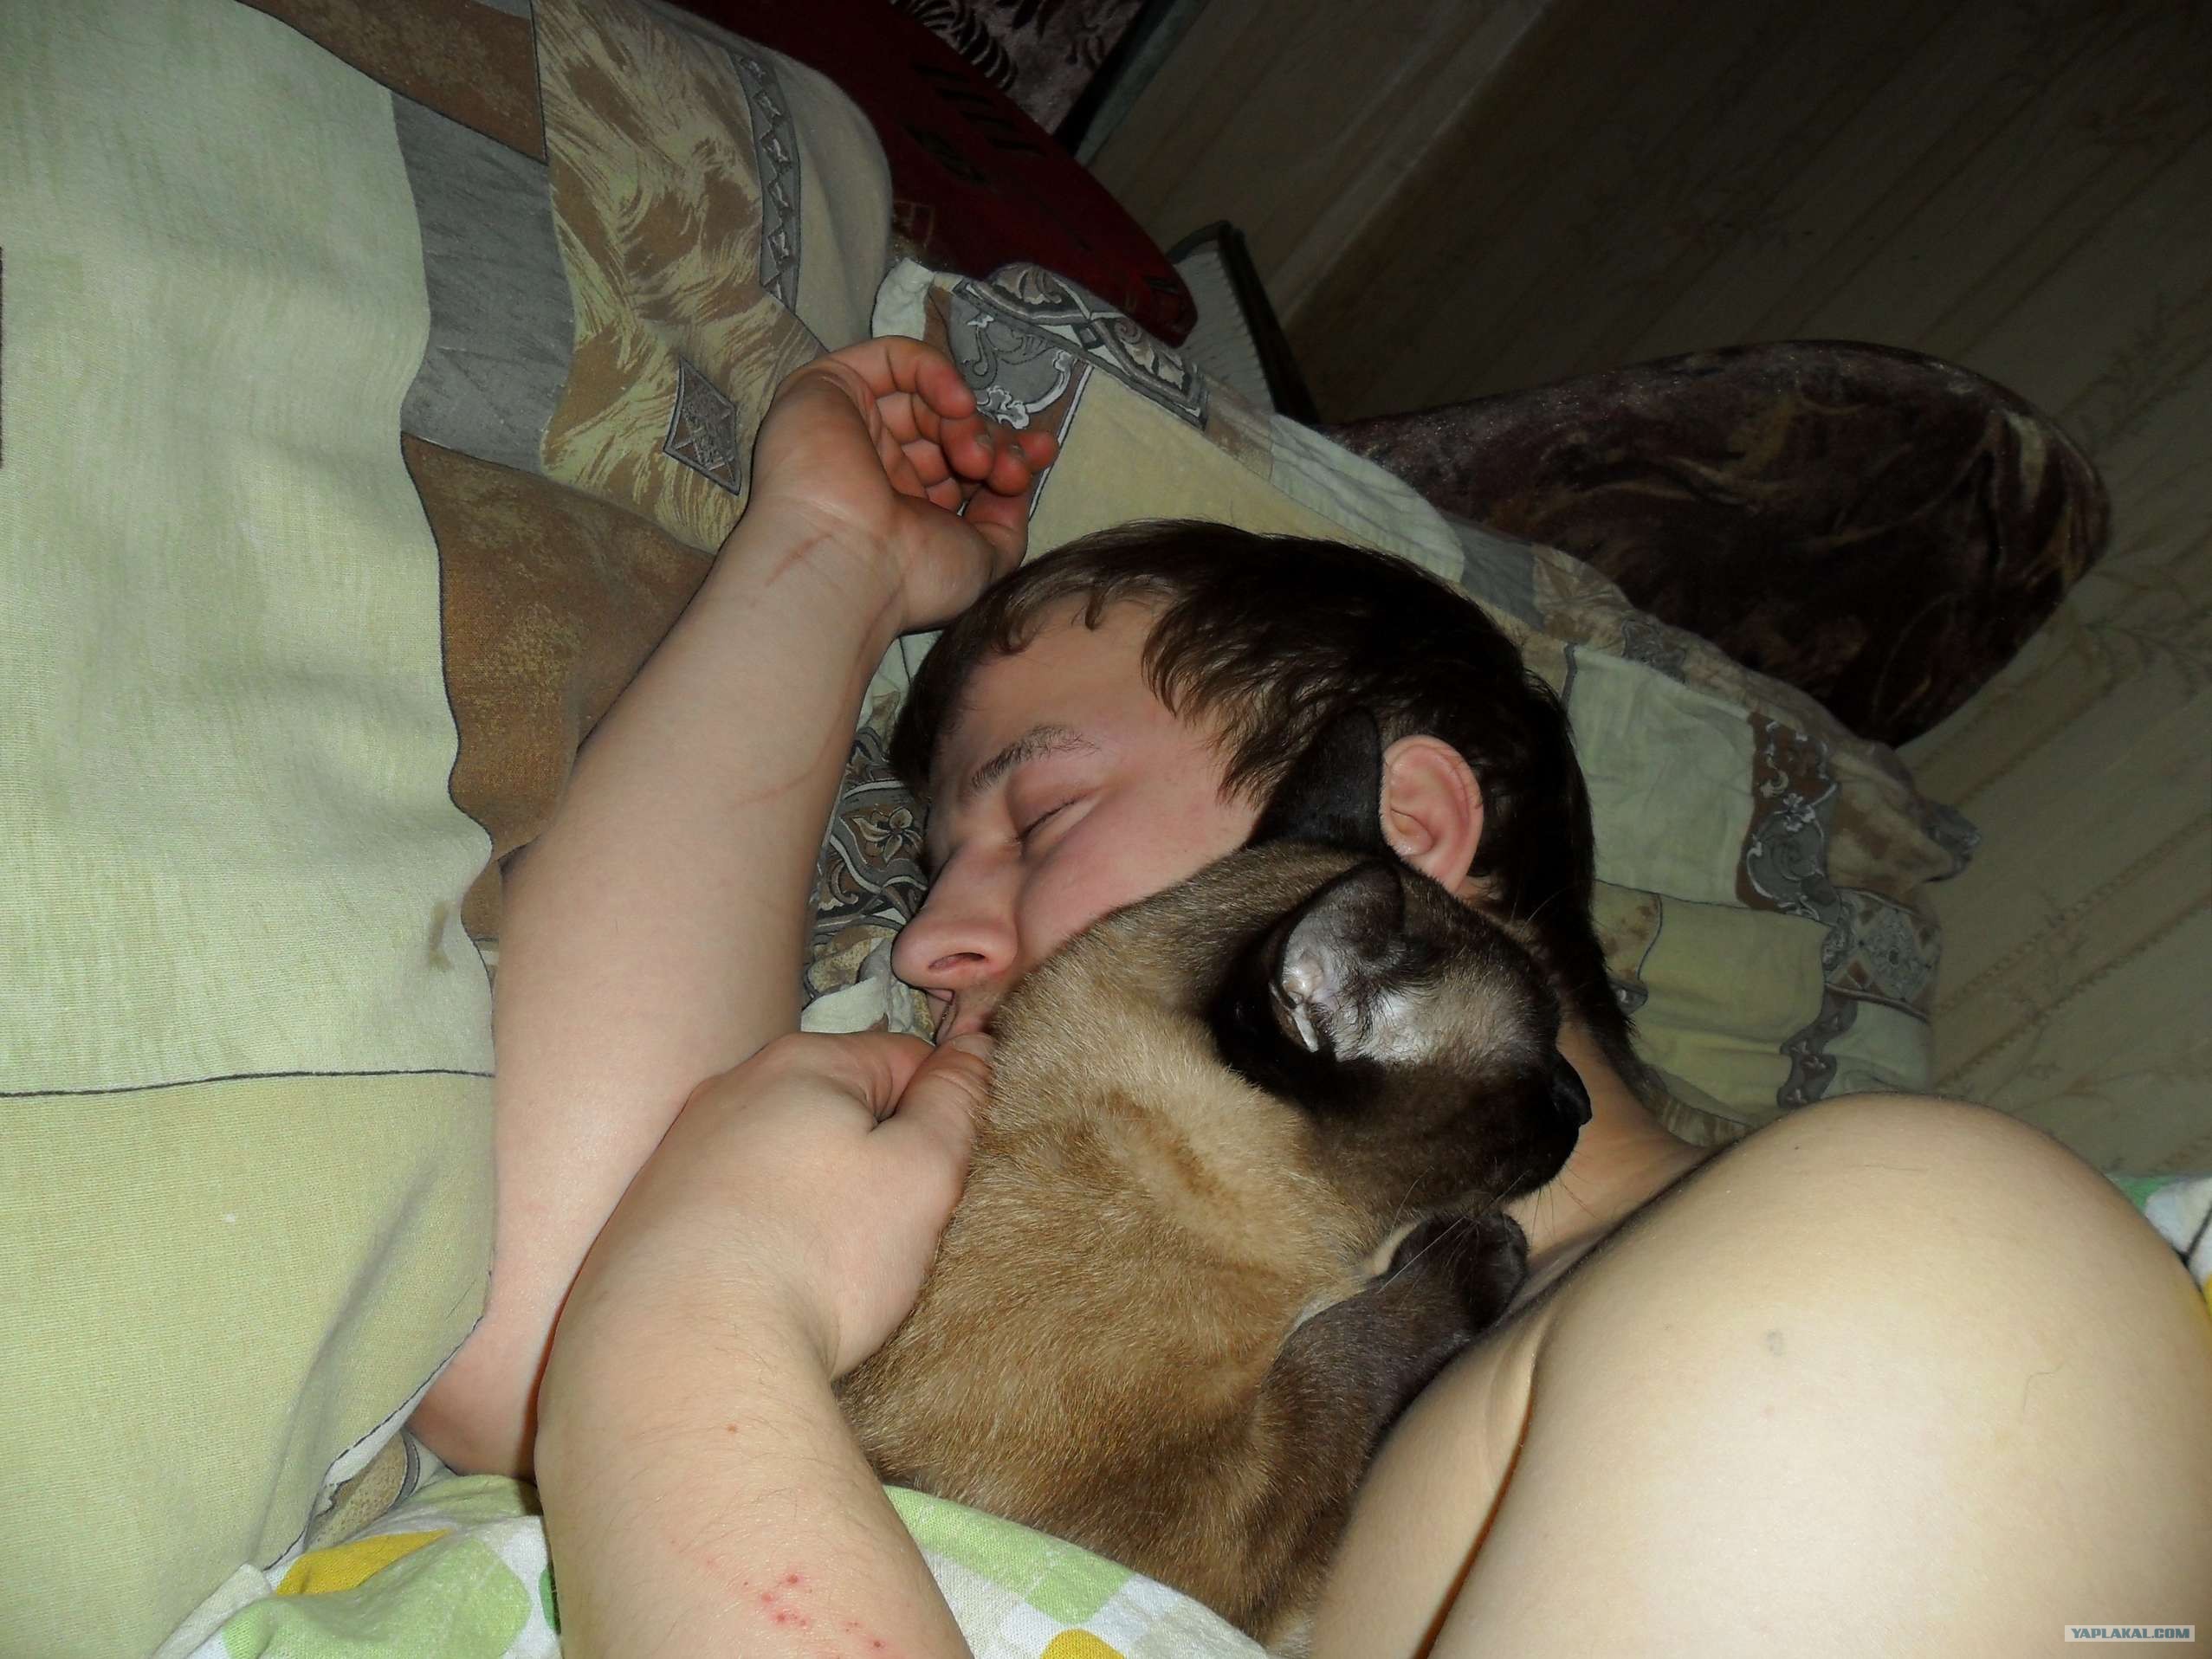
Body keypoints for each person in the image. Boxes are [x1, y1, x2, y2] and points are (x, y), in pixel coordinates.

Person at [409, 338, 2212, 1657]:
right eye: (935, 876)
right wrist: (820, 560)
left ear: (1399, 839)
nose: (932, 940)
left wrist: (691, 1329)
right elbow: (534, 1335)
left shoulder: (1909, 1275)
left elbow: (636, 1350)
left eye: (1040, 815)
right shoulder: (1062, 1312)